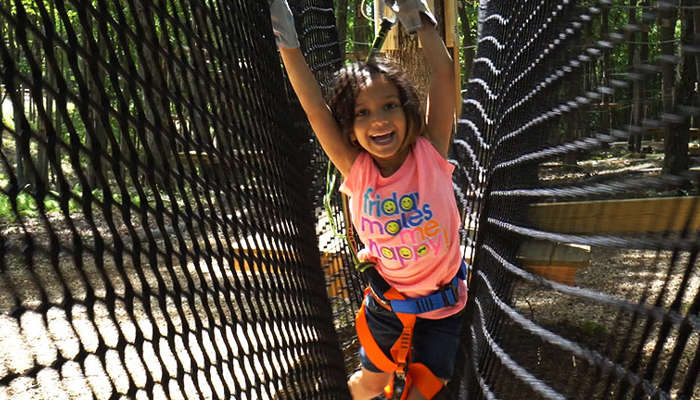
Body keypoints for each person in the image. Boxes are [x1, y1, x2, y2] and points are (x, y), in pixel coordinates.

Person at [269, 1, 467, 399]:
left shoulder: (430, 151)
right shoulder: (357, 171)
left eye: (390, 105)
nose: (379, 119)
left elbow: (444, 74)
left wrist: (419, 21)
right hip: (387, 306)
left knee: (424, 389)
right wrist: (287, 45)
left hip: (444, 308)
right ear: (350, 128)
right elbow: (313, 107)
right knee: (369, 383)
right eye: (363, 112)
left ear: (409, 111)